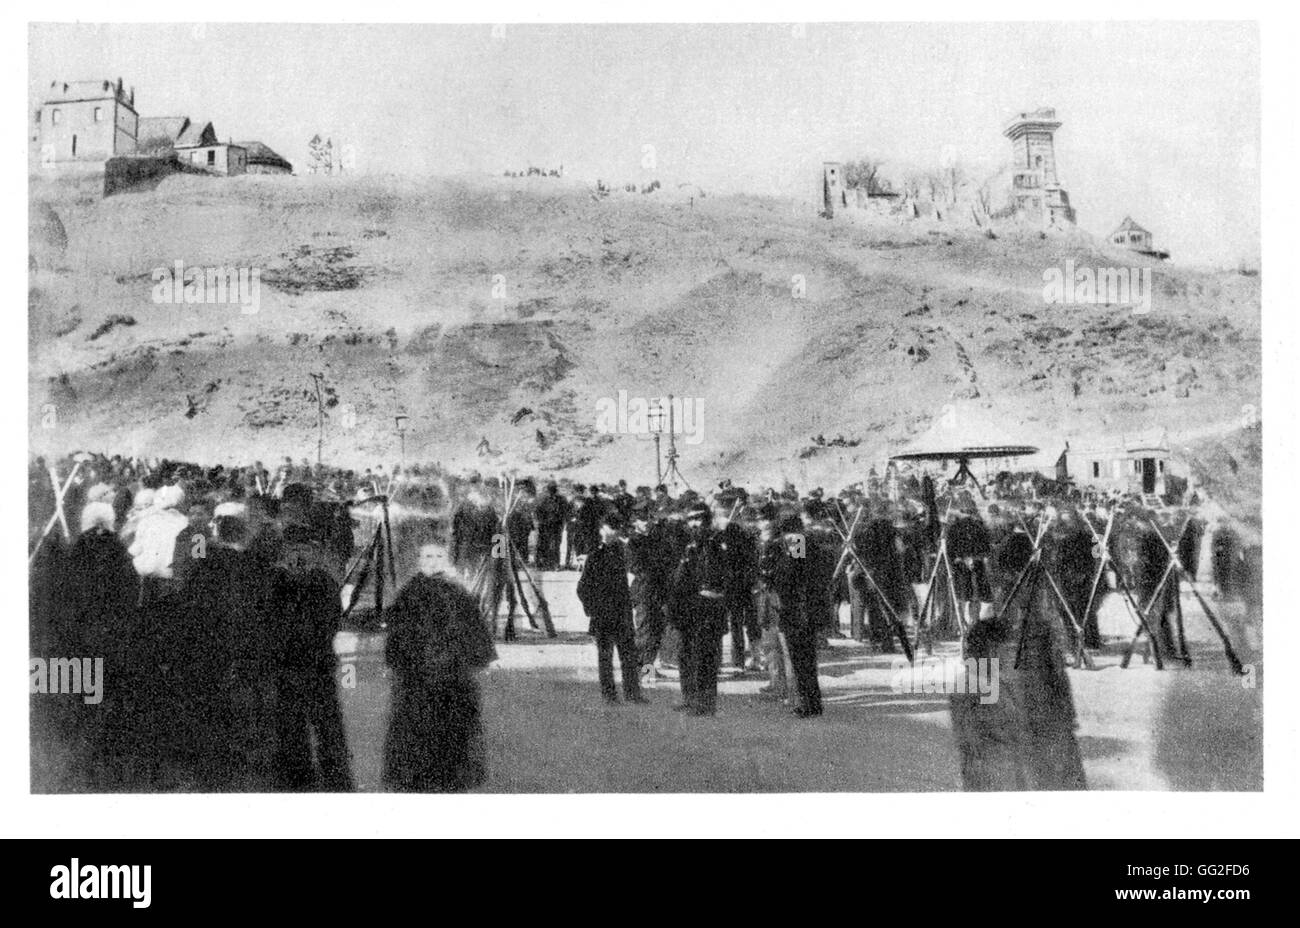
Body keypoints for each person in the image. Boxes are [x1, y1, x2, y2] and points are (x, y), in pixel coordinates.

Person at [383, 544, 497, 792]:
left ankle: (447, 776)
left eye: (437, 556)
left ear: (445, 561)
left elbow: (474, 632)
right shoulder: (408, 594)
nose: (432, 561)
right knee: (417, 727)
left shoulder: (457, 593)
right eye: (427, 556)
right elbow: (396, 635)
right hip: (418, 676)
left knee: (449, 727)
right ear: (419, 561)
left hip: (450, 676)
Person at [576, 513, 647, 704]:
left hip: (622, 613)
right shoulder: (595, 555)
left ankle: (633, 693)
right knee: (605, 658)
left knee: (628, 656)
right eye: (608, 528)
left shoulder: (624, 552)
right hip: (603, 616)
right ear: (602, 530)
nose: (611, 532)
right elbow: (582, 588)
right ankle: (609, 695)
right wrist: (593, 610)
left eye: (614, 529)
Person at [668, 502, 729, 716]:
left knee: (705, 659)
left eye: (699, 520)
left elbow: (717, 580)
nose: (694, 524)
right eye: (691, 520)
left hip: (707, 610)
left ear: (707, 521)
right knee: (686, 656)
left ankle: (705, 704)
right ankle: (690, 698)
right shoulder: (691, 545)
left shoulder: (716, 543)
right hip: (687, 611)